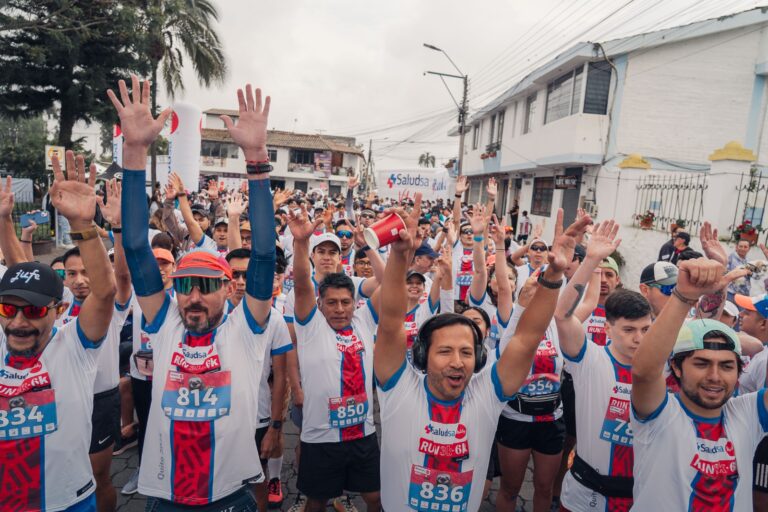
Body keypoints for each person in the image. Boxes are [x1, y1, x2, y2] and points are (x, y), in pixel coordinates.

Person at [114, 75, 279, 509]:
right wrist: (134, 153)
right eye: (185, 287)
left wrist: (257, 158)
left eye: (206, 288)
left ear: (228, 289)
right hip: (164, 496)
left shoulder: (248, 328)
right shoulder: (165, 321)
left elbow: (263, 253)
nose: (193, 299)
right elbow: (135, 246)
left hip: (229, 496)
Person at [374, 203, 591, 512]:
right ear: (422, 355)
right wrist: (398, 256)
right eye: (445, 351)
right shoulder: (397, 388)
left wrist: (554, 274)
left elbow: (527, 338)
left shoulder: (487, 394)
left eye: (465, 352)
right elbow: (392, 320)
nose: (457, 361)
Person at [0, 155, 116, 509]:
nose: (19, 322)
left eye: (34, 311)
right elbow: (22, 271)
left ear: (60, 310)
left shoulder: (74, 346)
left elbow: (106, 291)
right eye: (8, 309)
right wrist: (4, 220)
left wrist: (83, 225)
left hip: (69, 501)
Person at [631, 258, 764, 510]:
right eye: (701, 364)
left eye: (726, 366)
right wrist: (683, 297)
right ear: (677, 368)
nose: (715, 376)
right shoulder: (659, 413)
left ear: (739, 372)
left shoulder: (748, 414)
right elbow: (644, 371)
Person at [287, 201, 384, 512]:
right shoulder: (310, 324)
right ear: (320, 303)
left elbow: (389, 282)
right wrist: (301, 243)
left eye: (346, 302)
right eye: (332, 303)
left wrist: (368, 247)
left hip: (363, 434)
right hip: (321, 437)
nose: (340, 309)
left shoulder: (363, 319)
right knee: (316, 502)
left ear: (354, 302)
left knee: (375, 498)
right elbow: (302, 283)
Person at [552, 220, 652, 511]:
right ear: (607, 329)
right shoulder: (590, 360)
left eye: (645, 330)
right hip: (586, 495)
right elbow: (562, 315)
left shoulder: (659, 369)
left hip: (640, 497)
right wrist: (592, 260)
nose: (639, 338)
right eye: (629, 330)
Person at [583, 256, 621, 346]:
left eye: (609, 275)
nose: (603, 280)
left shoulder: (625, 311)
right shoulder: (578, 308)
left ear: (617, 280)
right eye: (598, 274)